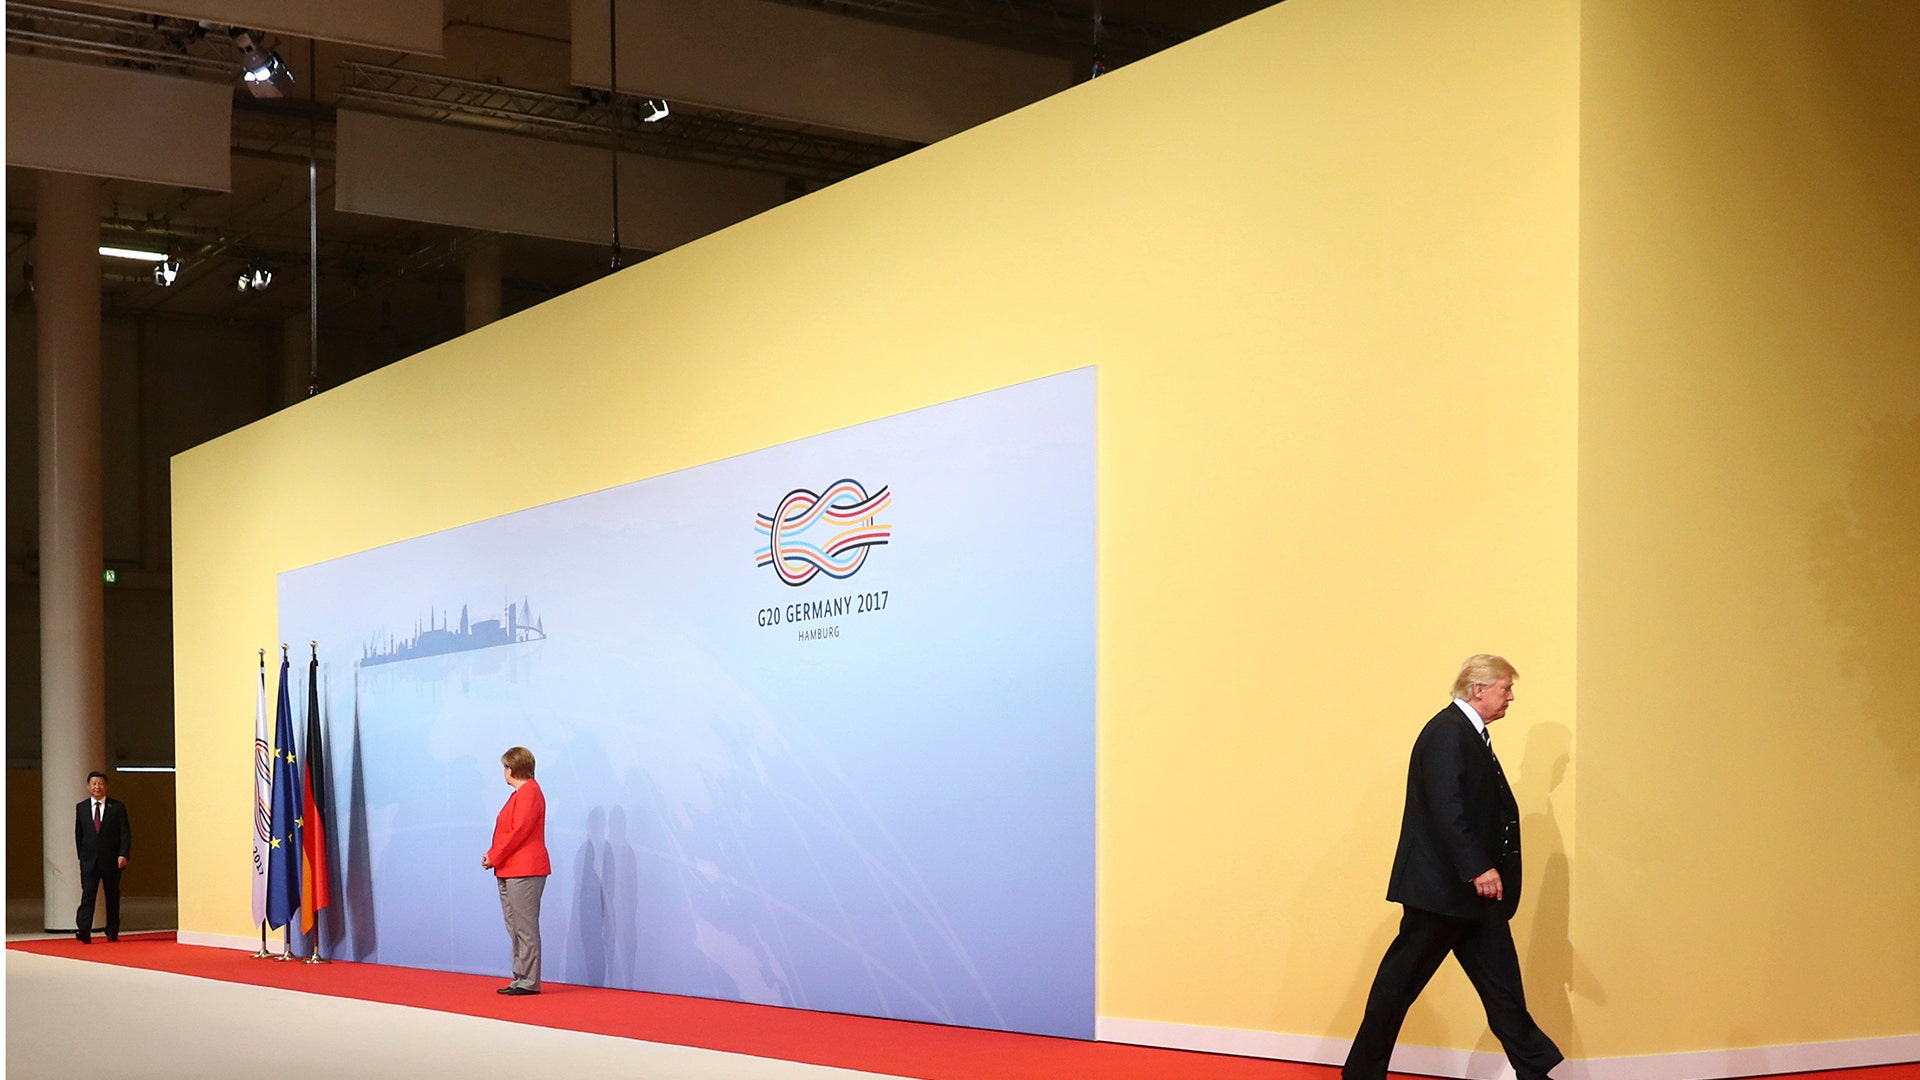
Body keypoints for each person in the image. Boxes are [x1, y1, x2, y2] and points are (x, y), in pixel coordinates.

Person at [1344, 655, 1563, 1080]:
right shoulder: (1448, 732)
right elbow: (1447, 808)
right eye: (1505, 688)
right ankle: (1361, 1074)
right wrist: (1478, 867)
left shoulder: (1467, 733)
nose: (1511, 697)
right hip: (1442, 894)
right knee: (1397, 987)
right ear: (1478, 690)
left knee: (1503, 991)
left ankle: (1535, 1072)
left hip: (1472, 896)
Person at [482, 746, 550, 995]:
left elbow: (518, 832)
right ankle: (521, 977)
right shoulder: (519, 795)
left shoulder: (530, 792)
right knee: (515, 926)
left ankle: (529, 981)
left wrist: (494, 856)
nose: (504, 771)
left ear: (512, 768)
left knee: (525, 927)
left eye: (505, 767)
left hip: (524, 869)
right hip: (509, 868)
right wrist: (494, 855)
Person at [74, 770, 132, 943]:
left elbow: (125, 833)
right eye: (94, 784)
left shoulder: (117, 807)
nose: (97, 787)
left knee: (112, 896)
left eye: (100, 783)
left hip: (112, 860)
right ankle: (84, 930)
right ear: (88, 786)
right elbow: (79, 834)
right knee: (88, 896)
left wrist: (123, 854)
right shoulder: (81, 808)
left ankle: (112, 931)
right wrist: (82, 856)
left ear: (106, 786)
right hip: (89, 861)